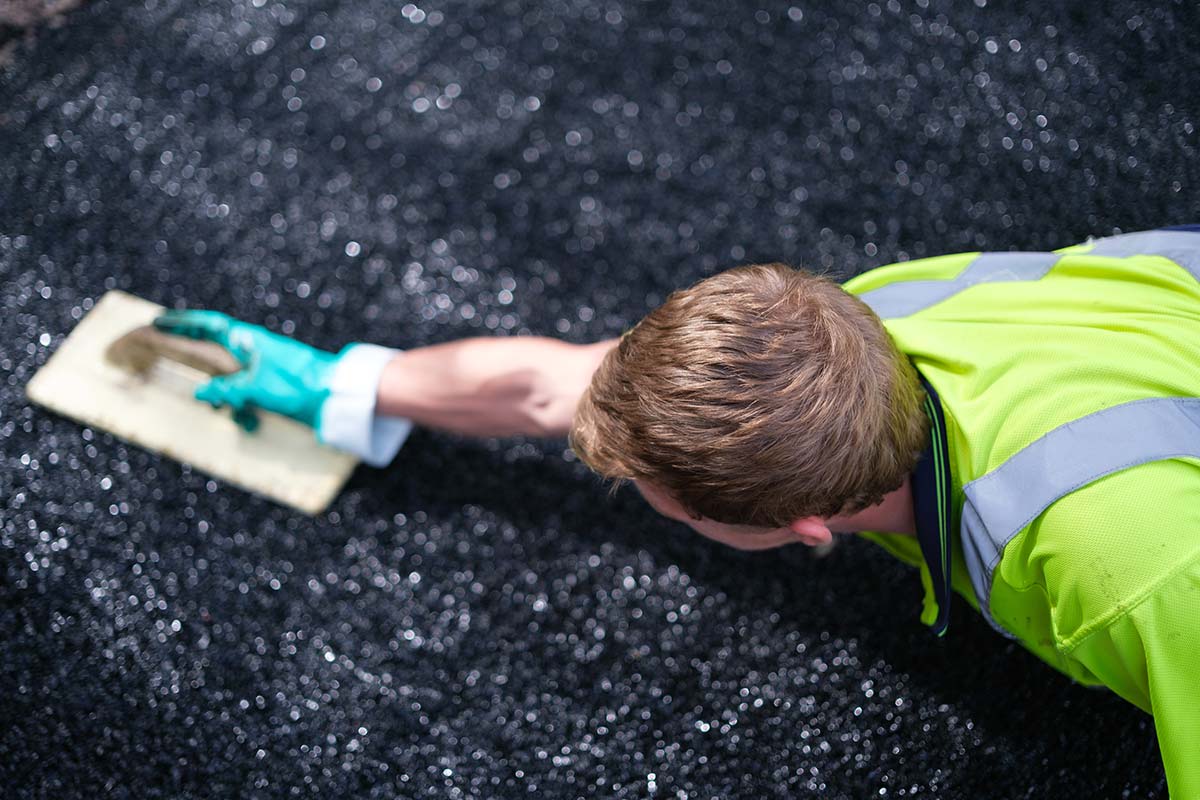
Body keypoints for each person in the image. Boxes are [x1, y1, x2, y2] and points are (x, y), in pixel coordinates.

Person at [154, 227, 1200, 796]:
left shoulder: (1128, 576)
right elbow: (554, 385)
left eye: (663, 506)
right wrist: (342, 384)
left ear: (802, 531)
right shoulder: (850, 335)